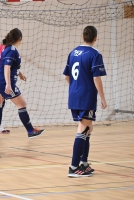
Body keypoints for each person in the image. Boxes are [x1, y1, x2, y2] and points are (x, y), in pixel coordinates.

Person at [63, 26, 107, 177]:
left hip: (74, 95)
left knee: (89, 128)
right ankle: (74, 168)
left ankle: (84, 163)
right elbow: (96, 78)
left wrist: (75, 88)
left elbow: (66, 76)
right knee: (83, 128)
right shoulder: (94, 54)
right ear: (95, 38)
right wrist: (102, 97)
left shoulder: (73, 53)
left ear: (83, 36)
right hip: (86, 96)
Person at [0, 28, 45, 138]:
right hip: (3, 83)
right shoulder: (11, 50)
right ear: (20, 38)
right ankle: (30, 131)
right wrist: (8, 84)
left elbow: (10, 66)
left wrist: (20, 74)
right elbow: (6, 67)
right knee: (22, 104)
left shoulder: (7, 49)